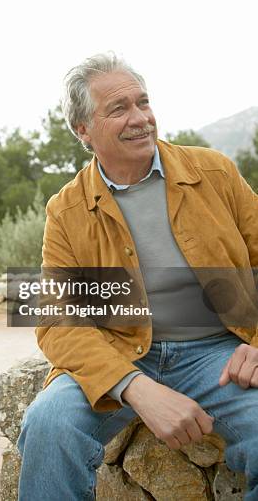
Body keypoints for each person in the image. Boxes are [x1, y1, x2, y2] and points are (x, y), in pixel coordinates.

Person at [17, 52, 258, 500]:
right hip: (121, 354)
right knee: (48, 423)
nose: (140, 119)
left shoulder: (215, 172)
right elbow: (55, 317)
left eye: (142, 103)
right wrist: (134, 387)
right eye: (118, 109)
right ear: (83, 130)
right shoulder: (65, 210)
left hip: (218, 353)